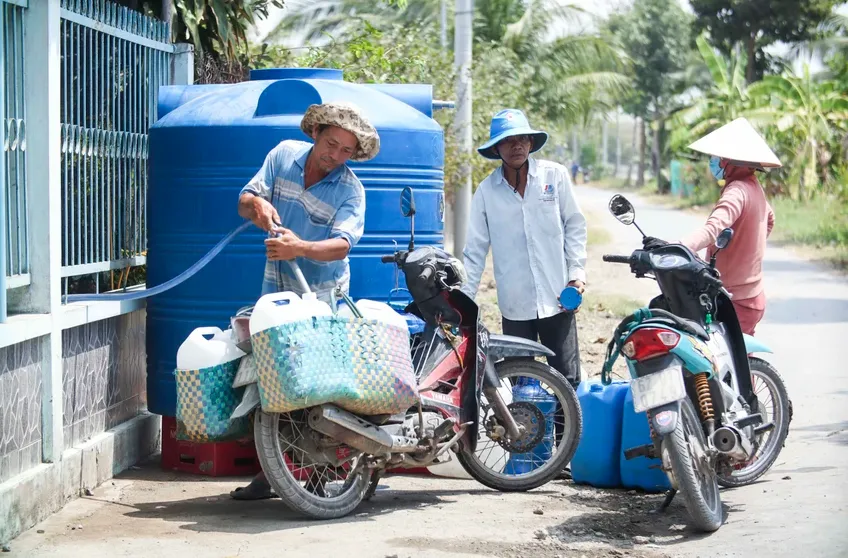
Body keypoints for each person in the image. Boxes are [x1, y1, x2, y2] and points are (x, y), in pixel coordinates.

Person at [231, 101, 380, 500]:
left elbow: (342, 246)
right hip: (275, 297)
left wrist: (300, 247)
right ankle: (270, 475)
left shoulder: (350, 189)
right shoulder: (282, 157)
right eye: (331, 144)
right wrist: (257, 205)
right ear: (315, 134)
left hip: (322, 302)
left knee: (318, 390)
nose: (335, 155)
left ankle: (317, 477)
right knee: (271, 382)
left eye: (346, 151)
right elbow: (246, 200)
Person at [461, 108, 588, 390]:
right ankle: (529, 436)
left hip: (557, 298)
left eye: (522, 139)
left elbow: (575, 226)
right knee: (521, 382)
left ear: (531, 143)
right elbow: (475, 251)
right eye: (508, 141)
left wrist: (577, 275)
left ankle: (568, 434)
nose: (516, 145)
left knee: (567, 380)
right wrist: (464, 302)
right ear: (497, 148)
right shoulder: (486, 192)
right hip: (515, 305)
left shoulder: (554, 177)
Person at [679, 117, 779, 336]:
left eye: (717, 157)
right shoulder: (754, 186)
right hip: (751, 293)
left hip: (736, 298)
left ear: (729, 161)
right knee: (741, 363)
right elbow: (769, 219)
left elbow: (712, 229)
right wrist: (747, 247)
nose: (714, 161)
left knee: (724, 361)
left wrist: (680, 247)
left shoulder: (736, 192)